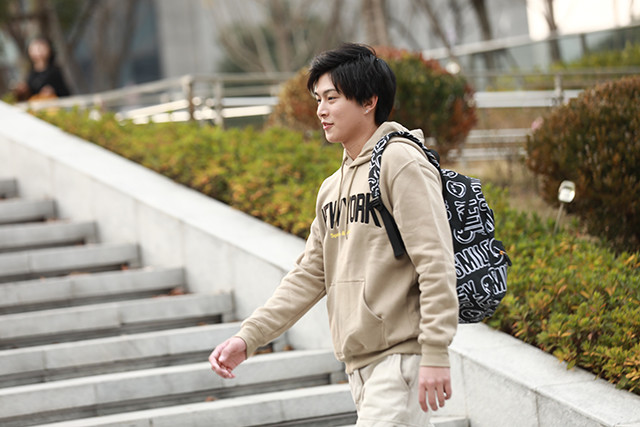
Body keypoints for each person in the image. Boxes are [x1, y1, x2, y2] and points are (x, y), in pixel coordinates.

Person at [209, 43, 458, 426]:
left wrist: (436, 351)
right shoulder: (331, 188)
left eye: (332, 98)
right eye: (318, 99)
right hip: (359, 366)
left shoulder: (401, 162)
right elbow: (310, 274)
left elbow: (436, 260)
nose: (321, 110)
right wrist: (249, 337)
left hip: (400, 359)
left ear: (369, 101)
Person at [13, 36, 70, 101]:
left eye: (41, 48)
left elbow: (64, 93)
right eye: (35, 48)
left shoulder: (54, 71)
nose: (38, 51)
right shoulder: (30, 73)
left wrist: (52, 91)